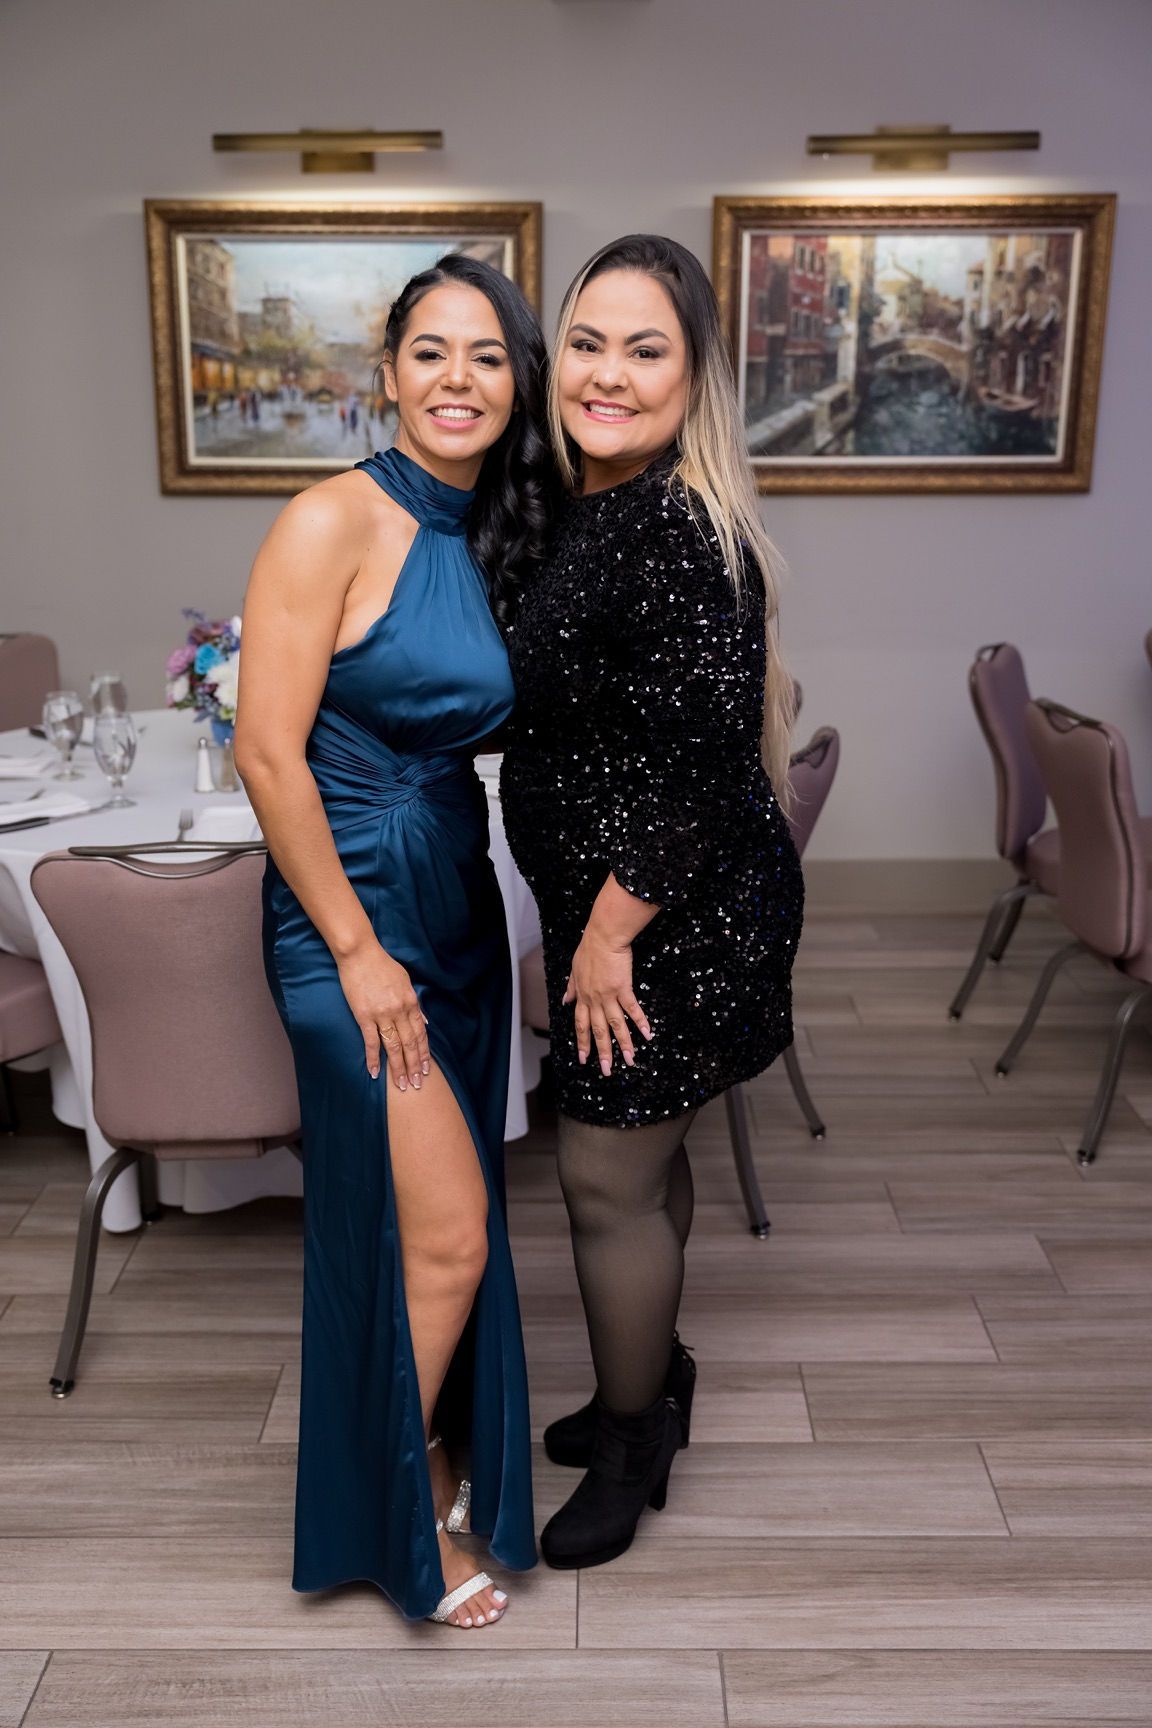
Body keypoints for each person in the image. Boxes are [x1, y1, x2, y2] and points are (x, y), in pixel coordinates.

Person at [234, 253, 552, 1627]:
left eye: (488, 356)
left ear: (518, 382)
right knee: (450, 1238)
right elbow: (265, 752)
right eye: (433, 352)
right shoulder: (328, 520)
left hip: (456, 899)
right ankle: (393, 1510)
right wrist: (358, 952)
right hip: (349, 912)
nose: (460, 380)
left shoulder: (501, 529)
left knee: (420, 1222)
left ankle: (420, 1454)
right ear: (386, 375)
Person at [501, 234, 804, 1570]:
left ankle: (632, 1442)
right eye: (588, 342)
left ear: (695, 383)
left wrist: (606, 938)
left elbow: (695, 766)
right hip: (638, 902)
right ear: (552, 356)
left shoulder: (680, 528)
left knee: (600, 1175)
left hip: (670, 913)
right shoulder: (590, 506)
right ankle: (654, 1380)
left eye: (646, 350)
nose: (608, 375)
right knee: (648, 1161)